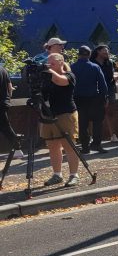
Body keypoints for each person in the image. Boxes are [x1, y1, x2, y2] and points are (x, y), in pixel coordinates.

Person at [39, 52, 81, 186]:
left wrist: (47, 69)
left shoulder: (69, 76)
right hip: (49, 114)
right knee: (52, 146)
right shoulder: (46, 77)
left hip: (65, 114)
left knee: (69, 145)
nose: (48, 65)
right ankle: (57, 175)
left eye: (52, 63)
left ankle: (74, 175)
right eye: (48, 63)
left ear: (61, 63)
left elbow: (59, 81)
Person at [70, 46, 108, 154]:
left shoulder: (72, 67)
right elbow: (102, 85)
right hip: (94, 98)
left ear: (79, 54)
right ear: (90, 54)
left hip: (78, 99)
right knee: (97, 123)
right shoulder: (95, 67)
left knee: (82, 124)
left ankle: (85, 146)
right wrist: (104, 97)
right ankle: (97, 144)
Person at [91, 44, 118, 146]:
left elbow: (111, 76)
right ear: (98, 52)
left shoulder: (110, 63)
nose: (107, 53)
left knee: (110, 112)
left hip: (109, 89)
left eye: (107, 52)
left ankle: (113, 135)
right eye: (104, 51)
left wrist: (115, 77)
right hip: (96, 90)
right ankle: (93, 137)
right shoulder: (92, 63)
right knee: (95, 114)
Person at [0, 58, 24, 158]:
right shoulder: (3, 69)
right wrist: (8, 99)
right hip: (4, 102)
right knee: (5, 127)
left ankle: (18, 149)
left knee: (5, 127)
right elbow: (10, 87)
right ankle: (17, 149)